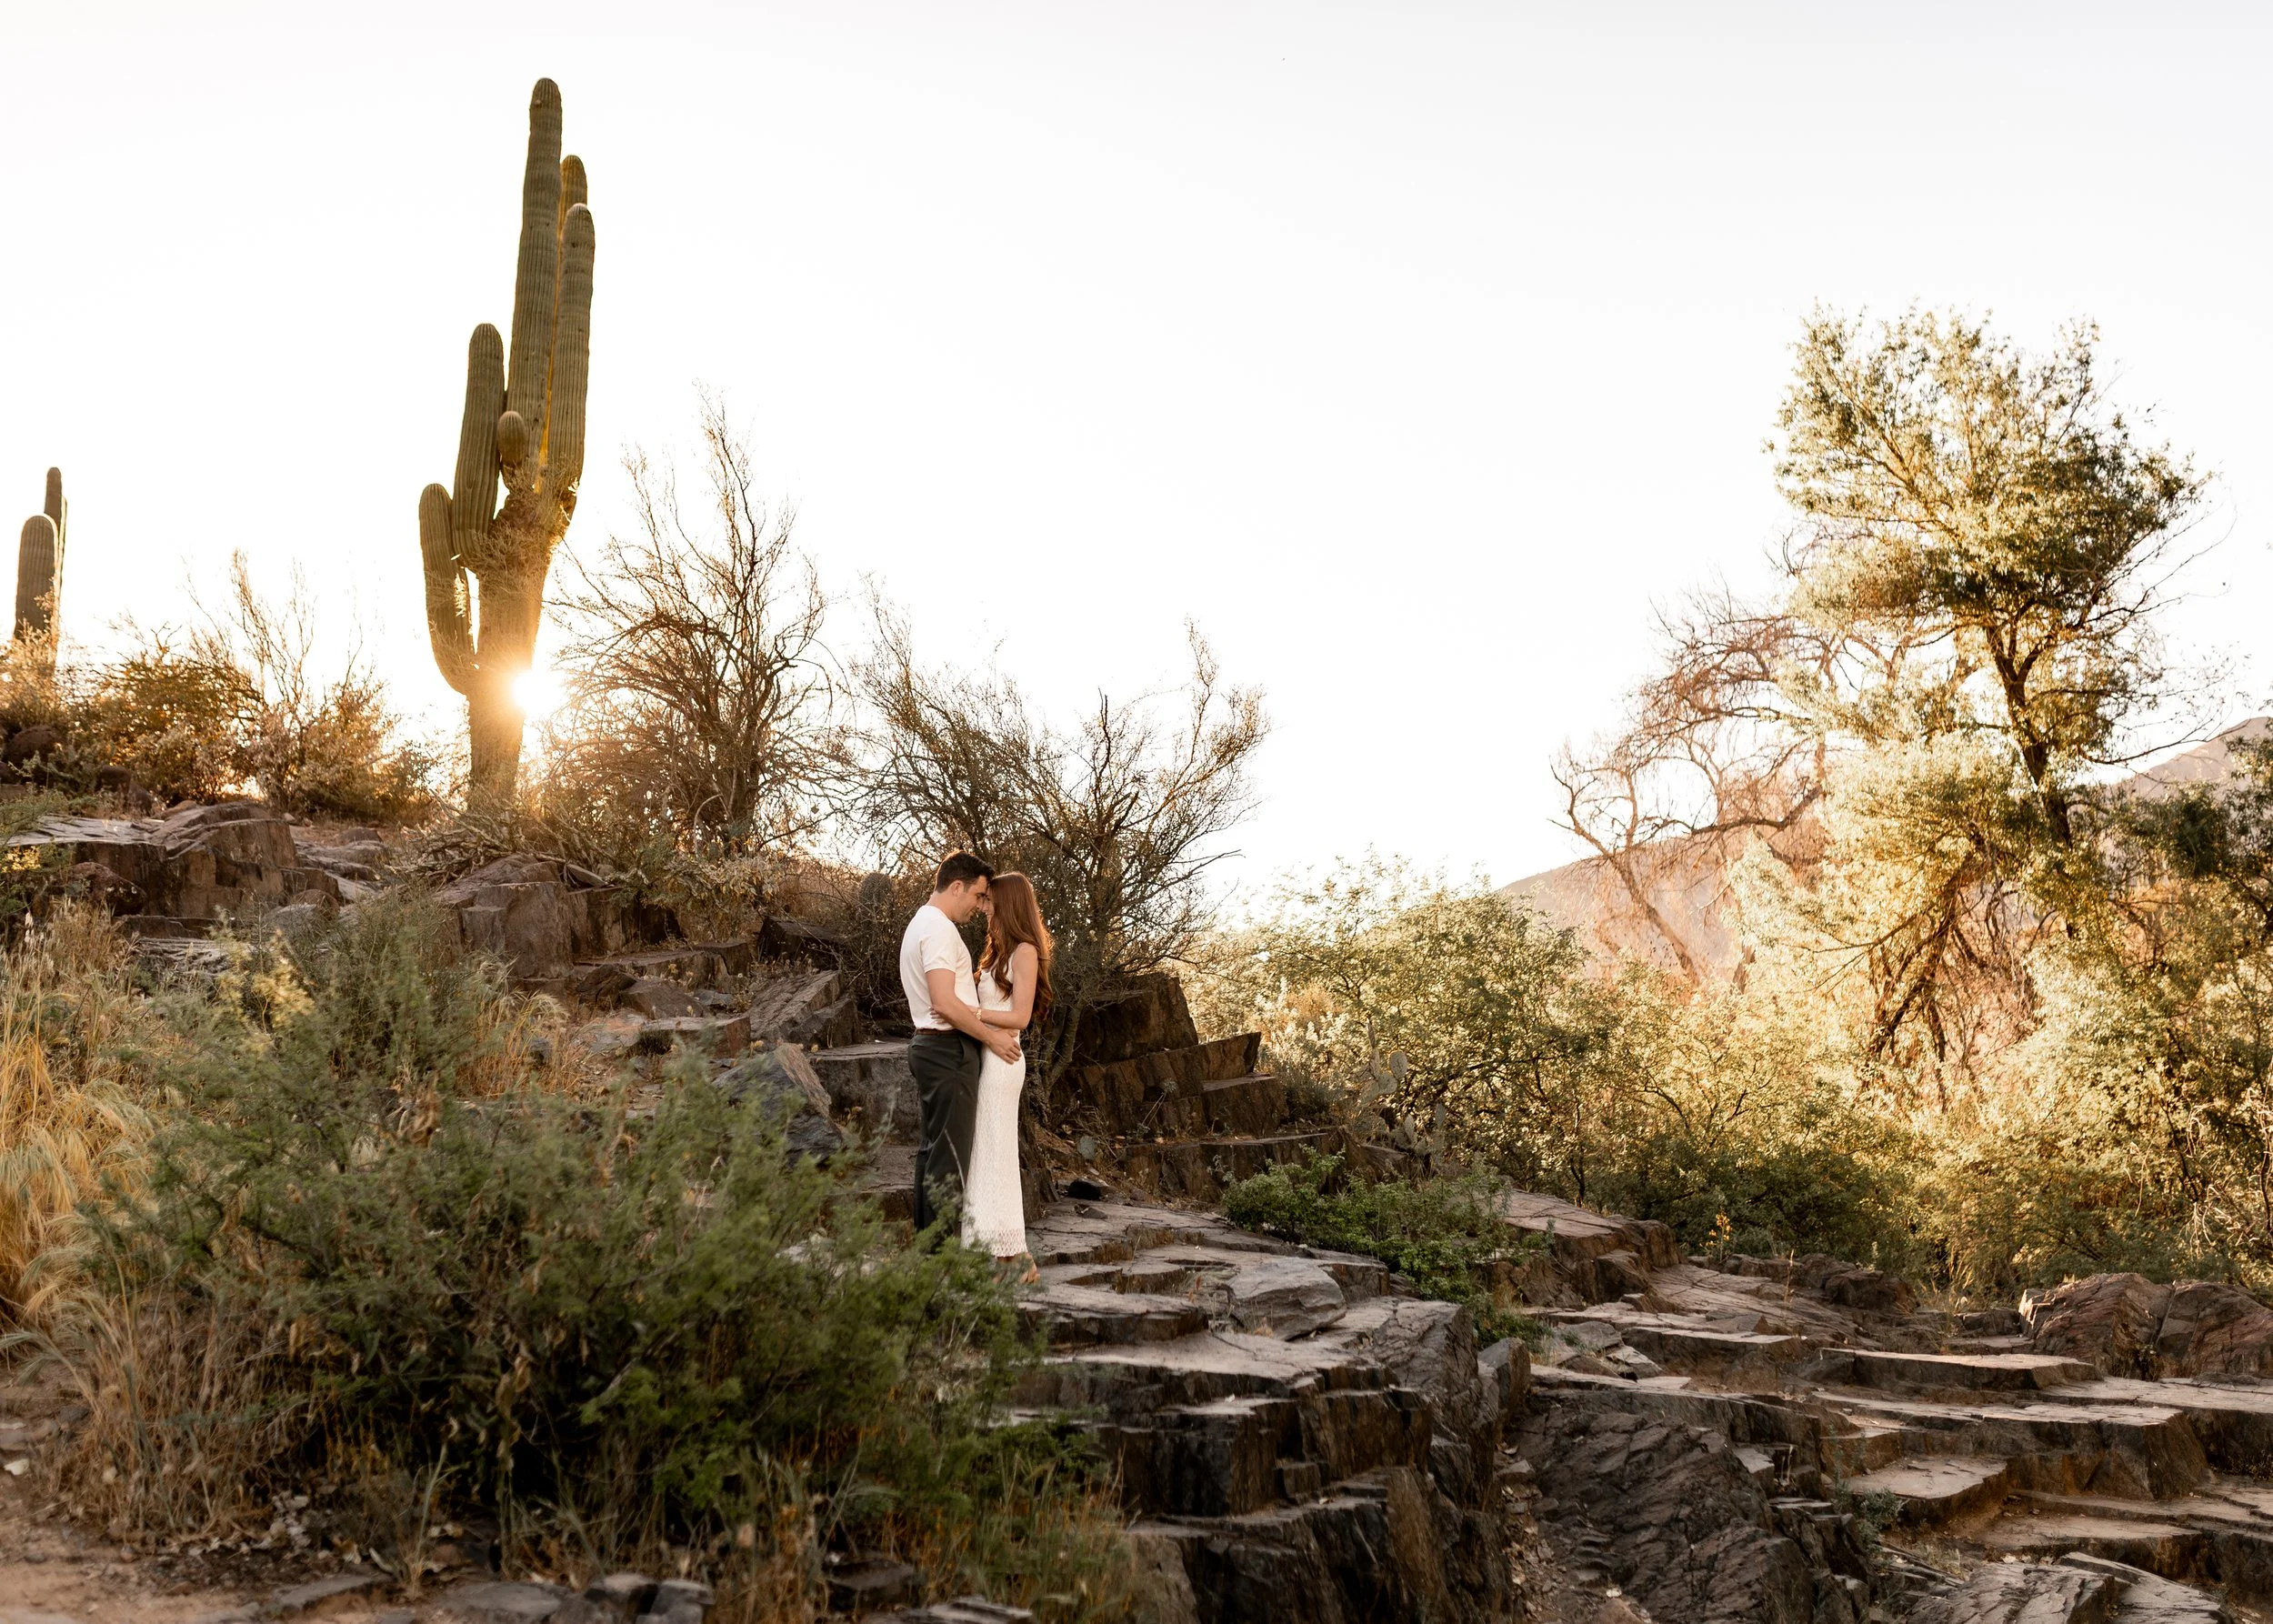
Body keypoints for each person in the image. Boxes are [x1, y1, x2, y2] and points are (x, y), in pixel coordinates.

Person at [898, 850, 1020, 1233]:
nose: (978, 906)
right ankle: (940, 1261)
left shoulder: (920, 923)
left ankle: (928, 1254)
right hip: (948, 1051)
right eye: (977, 895)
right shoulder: (937, 929)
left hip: (934, 1047)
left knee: (933, 1154)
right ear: (956, 887)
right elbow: (944, 1001)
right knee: (949, 1159)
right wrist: (992, 1039)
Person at [966, 871, 1052, 1281]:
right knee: (989, 1154)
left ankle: (1017, 1256)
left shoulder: (1026, 952)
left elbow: (1020, 1016)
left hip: (1002, 1063)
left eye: (990, 900)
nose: (984, 906)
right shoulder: (1000, 949)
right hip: (987, 1055)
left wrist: (973, 1015)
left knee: (995, 1155)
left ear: (1009, 902)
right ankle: (1007, 1259)